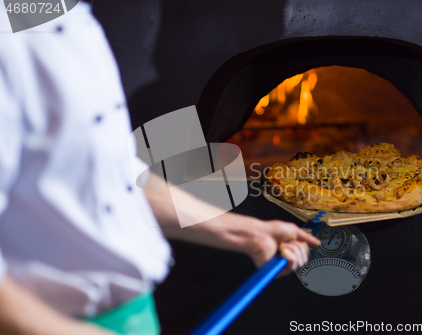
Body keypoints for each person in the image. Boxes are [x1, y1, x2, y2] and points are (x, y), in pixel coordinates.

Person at [0, 1, 320, 334]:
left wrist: (248, 233)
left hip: (133, 314)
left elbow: (112, 179)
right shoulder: (7, 38)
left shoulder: (70, 18)